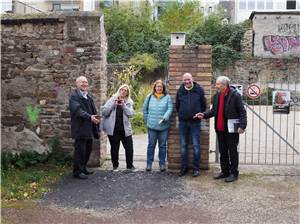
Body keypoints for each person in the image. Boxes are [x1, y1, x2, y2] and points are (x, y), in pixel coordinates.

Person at [197, 76, 247, 182]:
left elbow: (242, 111)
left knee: (232, 151)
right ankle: (225, 171)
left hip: (231, 129)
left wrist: (242, 126)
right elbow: (214, 111)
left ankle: (234, 173)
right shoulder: (217, 96)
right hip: (220, 128)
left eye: (218, 84)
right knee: (223, 151)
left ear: (224, 85)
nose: (216, 86)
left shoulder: (235, 95)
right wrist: (204, 115)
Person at [176, 73, 207, 177]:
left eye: (188, 79)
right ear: (183, 80)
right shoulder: (180, 91)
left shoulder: (199, 90)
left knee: (196, 146)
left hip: (195, 122)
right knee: (183, 146)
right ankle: (184, 167)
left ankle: (196, 169)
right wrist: (182, 114)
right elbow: (177, 105)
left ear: (192, 79)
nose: (187, 82)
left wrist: (198, 113)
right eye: (185, 80)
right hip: (183, 122)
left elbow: (204, 105)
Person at [69, 76, 100, 179]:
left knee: (87, 150)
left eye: (86, 82)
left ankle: (83, 168)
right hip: (80, 129)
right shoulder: (74, 96)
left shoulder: (88, 96)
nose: (84, 84)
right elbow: (77, 111)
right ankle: (77, 172)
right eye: (82, 82)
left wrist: (96, 118)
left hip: (89, 128)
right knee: (80, 151)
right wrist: (90, 117)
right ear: (77, 84)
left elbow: (93, 110)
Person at [101, 84, 136, 171]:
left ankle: (130, 166)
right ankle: (115, 165)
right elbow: (104, 112)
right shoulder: (112, 99)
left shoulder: (129, 102)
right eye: (122, 90)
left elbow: (131, 114)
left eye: (125, 90)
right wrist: (113, 105)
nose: (123, 91)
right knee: (114, 148)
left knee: (129, 148)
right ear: (119, 90)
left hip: (125, 129)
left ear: (127, 93)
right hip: (114, 129)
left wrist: (123, 105)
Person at [143, 80, 173, 172]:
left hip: (163, 126)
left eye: (160, 87)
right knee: (151, 145)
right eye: (157, 86)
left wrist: (165, 117)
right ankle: (149, 164)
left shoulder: (167, 97)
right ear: (154, 88)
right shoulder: (149, 97)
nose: (159, 88)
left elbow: (170, 108)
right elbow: (145, 109)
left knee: (163, 146)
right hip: (152, 126)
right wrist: (147, 120)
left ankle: (162, 164)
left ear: (163, 88)